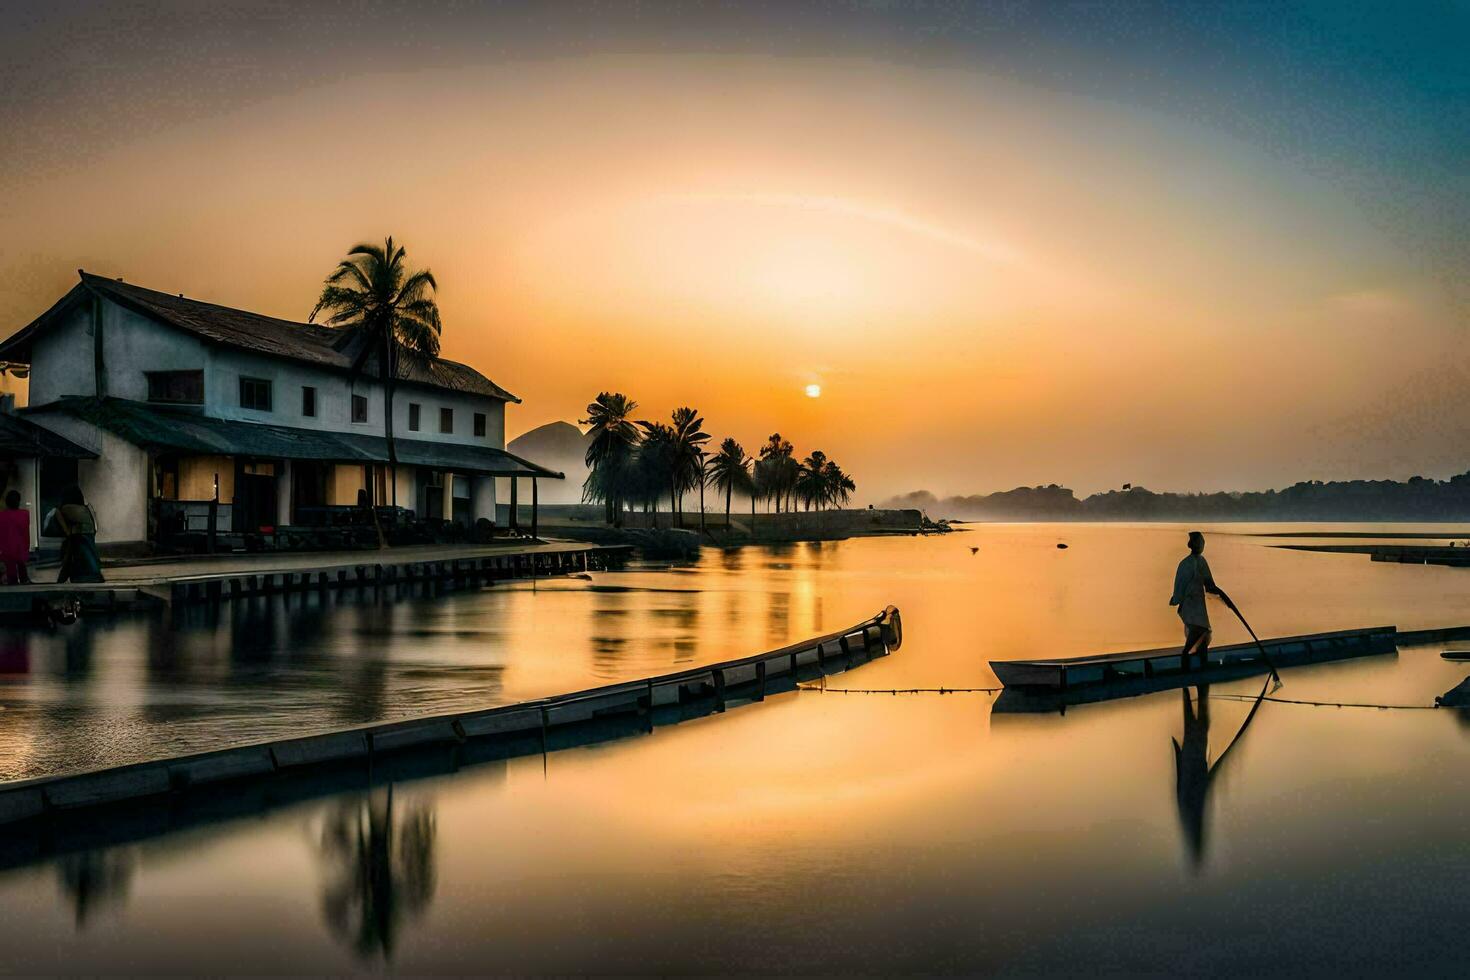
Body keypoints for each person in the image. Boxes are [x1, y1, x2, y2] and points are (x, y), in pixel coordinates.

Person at [1169, 530, 1230, 670]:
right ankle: (1185, 672)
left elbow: (1210, 585)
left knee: (1204, 638)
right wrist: (1176, 599)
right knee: (1198, 633)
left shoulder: (1201, 561)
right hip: (1190, 607)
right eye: (1200, 542)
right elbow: (1179, 585)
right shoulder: (1186, 564)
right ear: (1193, 544)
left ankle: (1202, 670)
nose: (1202, 545)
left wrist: (1223, 596)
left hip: (1199, 607)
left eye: (1202, 542)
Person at [54, 485, 104, 584]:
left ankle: (65, 579)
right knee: (87, 556)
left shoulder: (65, 508)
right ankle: (92, 576)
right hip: (88, 534)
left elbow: (58, 516)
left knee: (74, 558)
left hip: (77, 535)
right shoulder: (85, 508)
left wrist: (67, 532)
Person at [0, 490, 30, 585]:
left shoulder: (2, 516)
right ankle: (24, 579)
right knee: (21, 566)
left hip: (7, 548)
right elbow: (25, 532)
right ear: (19, 501)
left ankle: (13, 581)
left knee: (11, 571)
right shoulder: (25, 514)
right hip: (20, 547)